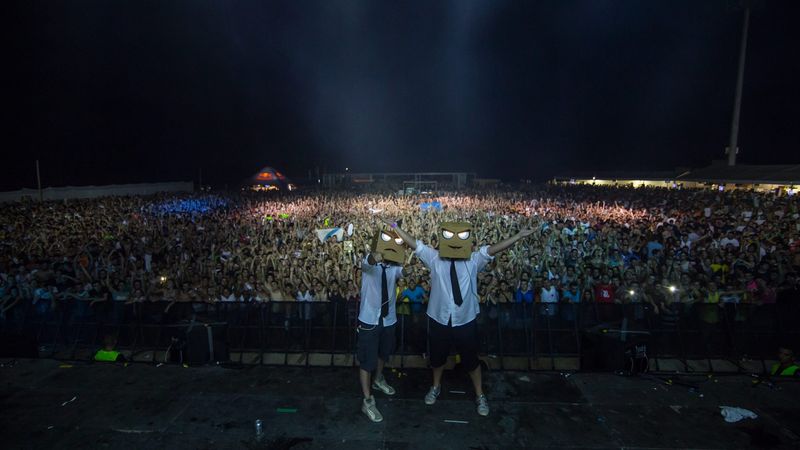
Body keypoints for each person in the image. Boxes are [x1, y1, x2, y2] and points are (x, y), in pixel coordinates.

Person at [386, 218, 533, 417]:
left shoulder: (473, 260)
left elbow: (494, 249)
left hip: (465, 320)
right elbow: (415, 244)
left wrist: (518, 236)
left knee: (471, 360)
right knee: (437, 359)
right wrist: (395, 227)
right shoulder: (434, 258)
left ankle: (480, 395)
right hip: (439, 319)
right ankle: (435, 387)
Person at [356, 226, 407, 423]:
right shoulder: (370, 264)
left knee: (383, 354)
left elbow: (404, 273)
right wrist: (373, 256)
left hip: (388, 319)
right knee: (366, 361)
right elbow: (367, 263)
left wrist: (410, 266)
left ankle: (378, 379)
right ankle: (367, 400)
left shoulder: (394, 268)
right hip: (369, 320)